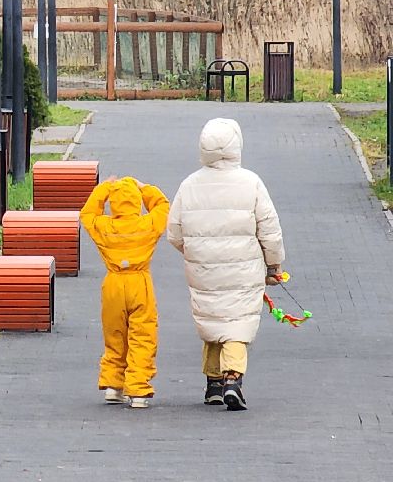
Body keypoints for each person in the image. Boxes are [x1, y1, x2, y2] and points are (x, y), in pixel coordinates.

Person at [166, 117, 284, 412]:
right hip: (244, 270)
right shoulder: (251, 182)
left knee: (212, 320)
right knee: (235, 326)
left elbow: (174, 232)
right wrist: (274, 264)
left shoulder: (189, 185)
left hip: (203, 268)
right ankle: (233, 380)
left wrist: (193, 251)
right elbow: (269, 229)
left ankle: (213, 383)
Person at [80, 176, 171, 408]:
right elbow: (163, 206)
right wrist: (145, 187)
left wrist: (104, 189)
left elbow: (87, 214)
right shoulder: (146, 225)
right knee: (143, 335)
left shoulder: (105, 227)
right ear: (136, 202)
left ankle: (113, 384)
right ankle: (138, 389)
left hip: (113, 283)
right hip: (139, 283)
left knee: (115, 335)